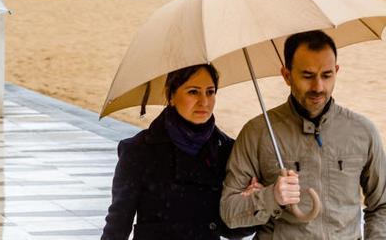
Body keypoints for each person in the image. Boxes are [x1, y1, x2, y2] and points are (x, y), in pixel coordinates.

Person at [220, 30, 386, 238]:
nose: (318, 87)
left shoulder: (363, 131)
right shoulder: (257, 133)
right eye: (307, 76)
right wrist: (271, 196)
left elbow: (382, 205)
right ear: (287, 75)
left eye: (326, 75)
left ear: (336, 71)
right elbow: (229, 211)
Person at [103, 64, 258, 239]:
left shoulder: (227, 150)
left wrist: (250, 204)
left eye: (210, 91)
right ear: (170, 95)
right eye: (193, 92)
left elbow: (231, 230)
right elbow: (118, 225)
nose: (204, 102)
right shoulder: (139, 151)